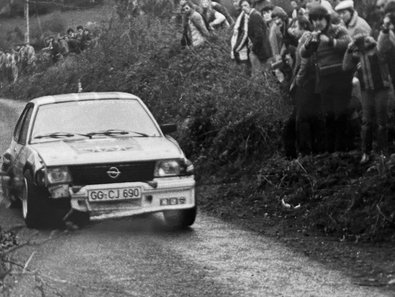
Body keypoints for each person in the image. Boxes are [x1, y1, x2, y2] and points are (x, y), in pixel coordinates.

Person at [300, 4, 353, 152]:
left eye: (320, 19)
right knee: (328, 114)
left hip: (341, 76)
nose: (317, 23)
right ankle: (331, 150)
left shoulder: (338, 29)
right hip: (324, 78)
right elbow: (303, 54)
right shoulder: (313, 34)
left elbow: (349, 44)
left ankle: (343, 149)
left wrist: (330, 41)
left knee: (340, 113)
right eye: (314, 20)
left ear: (327, 18)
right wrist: (309, 43)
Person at [343, 33, 392, 162]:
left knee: (381, 122)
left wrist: (374, 41)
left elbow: (383, 48)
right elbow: (346, 66)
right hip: (366, 91)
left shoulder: (376, 49)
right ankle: (366, 152)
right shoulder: (357, 54)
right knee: (366, 122)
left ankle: (383, 152)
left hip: (381, 89)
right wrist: (349, 49)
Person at [231, 0, 272, 78]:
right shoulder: (252, 15)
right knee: (263, 74)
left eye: (245, 5)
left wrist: (253, 48)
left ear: (251, 5)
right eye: (242, 6)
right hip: (260, 50)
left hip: (260, 51)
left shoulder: (254, 16)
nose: (243, 8)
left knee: (259, 75)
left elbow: (259, 35)